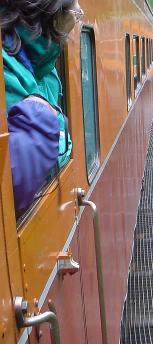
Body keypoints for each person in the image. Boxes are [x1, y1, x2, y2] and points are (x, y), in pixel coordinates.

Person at [0, 0, 83, 214]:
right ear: (54, 14)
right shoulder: (9, 68)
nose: (78, 16)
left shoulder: (43, 65)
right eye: (76, 11)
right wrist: (41, 118)